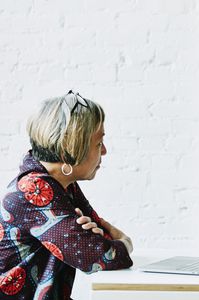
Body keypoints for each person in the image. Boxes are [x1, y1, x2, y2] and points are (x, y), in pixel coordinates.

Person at [0, 91, 133, 299]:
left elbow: (99, 237)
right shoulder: (35, 190)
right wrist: (124, 241)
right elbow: (101, 257)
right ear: (68, 151)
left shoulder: (60, 184)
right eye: (98, 143)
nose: (104, 151)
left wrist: (100, 241)